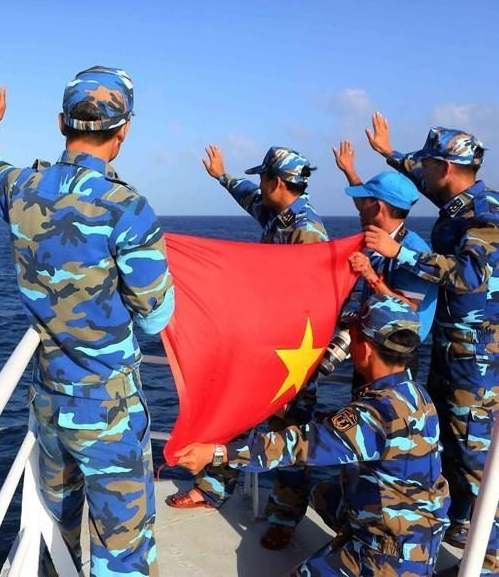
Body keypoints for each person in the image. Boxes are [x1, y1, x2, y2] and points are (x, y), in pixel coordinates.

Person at [0, 66, 174, 576]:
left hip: (48, 398)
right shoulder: (127, 208)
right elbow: (156, 313)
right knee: (121, 546)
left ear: (62, 122)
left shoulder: (22, 188)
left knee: (58, 527)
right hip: (108, 406)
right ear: (123, 131)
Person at [174, 294, 451, 575]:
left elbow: (298, 446)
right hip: (421, 536)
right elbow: (343, 431)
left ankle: (360, 552)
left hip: (389, 556)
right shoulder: (415, 396)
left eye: (351, 334)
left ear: (365, 348)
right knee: (324, 494)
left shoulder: (374, 412)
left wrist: (217, 453)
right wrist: (288, 412)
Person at [167, 145, 328, 551]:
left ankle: (285, 518)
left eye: (262, 179)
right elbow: (250, 199)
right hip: (265, 346)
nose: (258, 186)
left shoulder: (306, 231)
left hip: (294, 353)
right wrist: (222, 176)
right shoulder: (279, 215)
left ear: (276, 182)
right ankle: (213, 488)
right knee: (236, 415)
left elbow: (316, 299)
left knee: (289, 435)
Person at [363, 113, 498, 574]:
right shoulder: (459, 202)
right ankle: (464, 530)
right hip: (450, 353)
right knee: (452, 451)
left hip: (478, 363)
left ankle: (492, 558)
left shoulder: (486, 212)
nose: (419, 173)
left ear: (446, 168)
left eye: (426, 167)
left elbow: (471, 275)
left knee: (477, 460)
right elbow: (418, 177)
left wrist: (401, 254)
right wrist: (387, 154)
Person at [332, 140, 438, 379]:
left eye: (364, 202)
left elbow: (408, 310)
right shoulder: (382, 236)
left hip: (394, 356)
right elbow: (365, 204)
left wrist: (369, 275)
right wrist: (349, 170)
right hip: (373, 345)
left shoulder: (414, 252)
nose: (359, 209)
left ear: (378, 208)